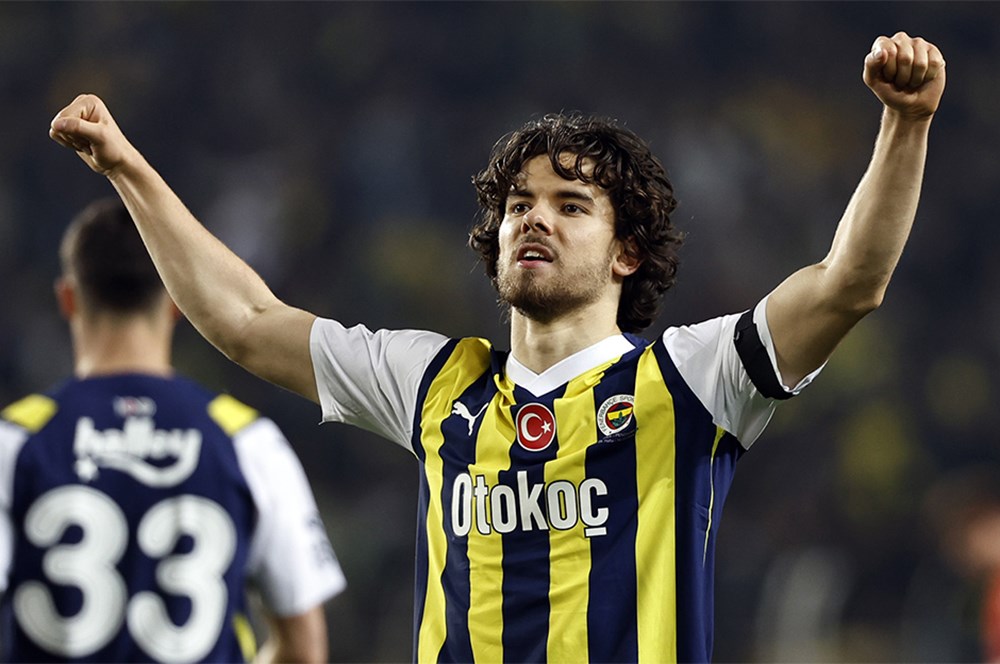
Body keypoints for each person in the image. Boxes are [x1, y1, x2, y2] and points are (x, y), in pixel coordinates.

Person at [47, 31, 945, 663]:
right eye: (519, 204)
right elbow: (246, 320)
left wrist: (905, 125)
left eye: (570, 205)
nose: (534, 220)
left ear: (627, 253)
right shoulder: (437, 382)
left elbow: (847, 284)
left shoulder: (691, 379)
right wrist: (127, 167)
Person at [0, 199, 346, 663]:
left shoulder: (16, 443)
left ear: (68, 298)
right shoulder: (246, 442)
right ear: (177, 302)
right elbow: (304, 648)